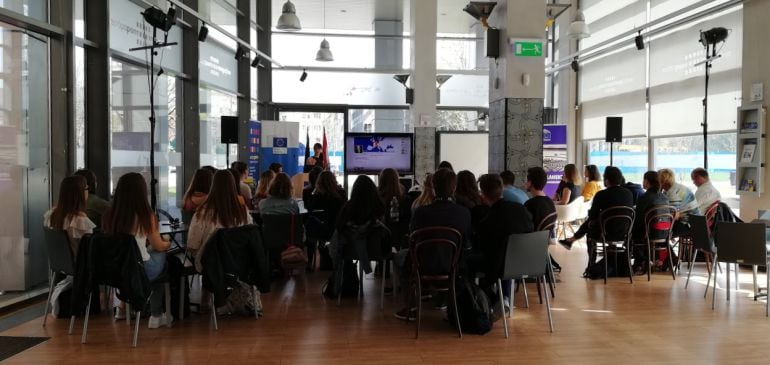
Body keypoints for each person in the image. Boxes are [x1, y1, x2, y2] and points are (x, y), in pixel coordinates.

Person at [394, 168, 471, 321]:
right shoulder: (464, 213)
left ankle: (412, 306)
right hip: (453, 266)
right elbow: (466, 244)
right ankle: (446, 299)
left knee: (399, 257)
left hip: (422, 266)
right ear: (454, 188)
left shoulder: (420, 212)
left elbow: (412, 239)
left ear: (433, 187)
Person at [102, 173, 171, 328]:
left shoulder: (109, 215)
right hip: (140, 269)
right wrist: (167, 243)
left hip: (115, 269)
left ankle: (124, 308)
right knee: (162, 260)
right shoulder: (146, 216)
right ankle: (156, 315)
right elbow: (159, 245)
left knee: (146, 254)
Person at [473, 174, 533, 306]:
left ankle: (483, 301)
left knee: (469, 261)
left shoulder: (488, 219)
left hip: (501, 266)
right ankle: (504, 297)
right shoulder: (521, 209)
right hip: (528, 262)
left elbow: (483, 246)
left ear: (482, 194)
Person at [558, 167, 634, 270]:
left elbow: (592, 216)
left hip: (605, 232)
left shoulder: (601, 194)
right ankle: (572, 240)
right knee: (595, 220)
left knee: (591, 228)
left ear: (606, 180)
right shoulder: (629, 194)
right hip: (625, 232)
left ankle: (591, 264)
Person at [187, 170, 252, 272]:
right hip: (238, 261)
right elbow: (250, 236)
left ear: (212, 186)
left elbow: (192, 244)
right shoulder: (243, 211)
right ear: (233, 186)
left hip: (210, 264)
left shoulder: (203, 212)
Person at [44, 175, 96, 254]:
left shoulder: (51, 215)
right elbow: (89, 252)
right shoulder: (80, 221)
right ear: (80, 193)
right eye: (86, 188)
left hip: (60, 264)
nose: (88, 192)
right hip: (79, 265)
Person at [631, 171, 669, 274]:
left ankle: (640, 262)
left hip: (649, 233)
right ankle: (651, 260)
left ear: (647, 182)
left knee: (633, 233)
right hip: (665, 233)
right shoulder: (664, 197)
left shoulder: (644, 197)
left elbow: (639, 219)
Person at [524, 167, 561, 272]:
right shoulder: (550, 203)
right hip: (542, 246)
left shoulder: (530, 204)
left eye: (527, 180)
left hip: (529, 247)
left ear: (530, 183)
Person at [658, 168, 699, 237]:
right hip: (692, 221)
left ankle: (665, 246)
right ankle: (666, 246)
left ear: (662, 181)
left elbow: (673, 216)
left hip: (688, 224)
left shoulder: (673, 193)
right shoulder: (674, 188)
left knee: (659, 231)